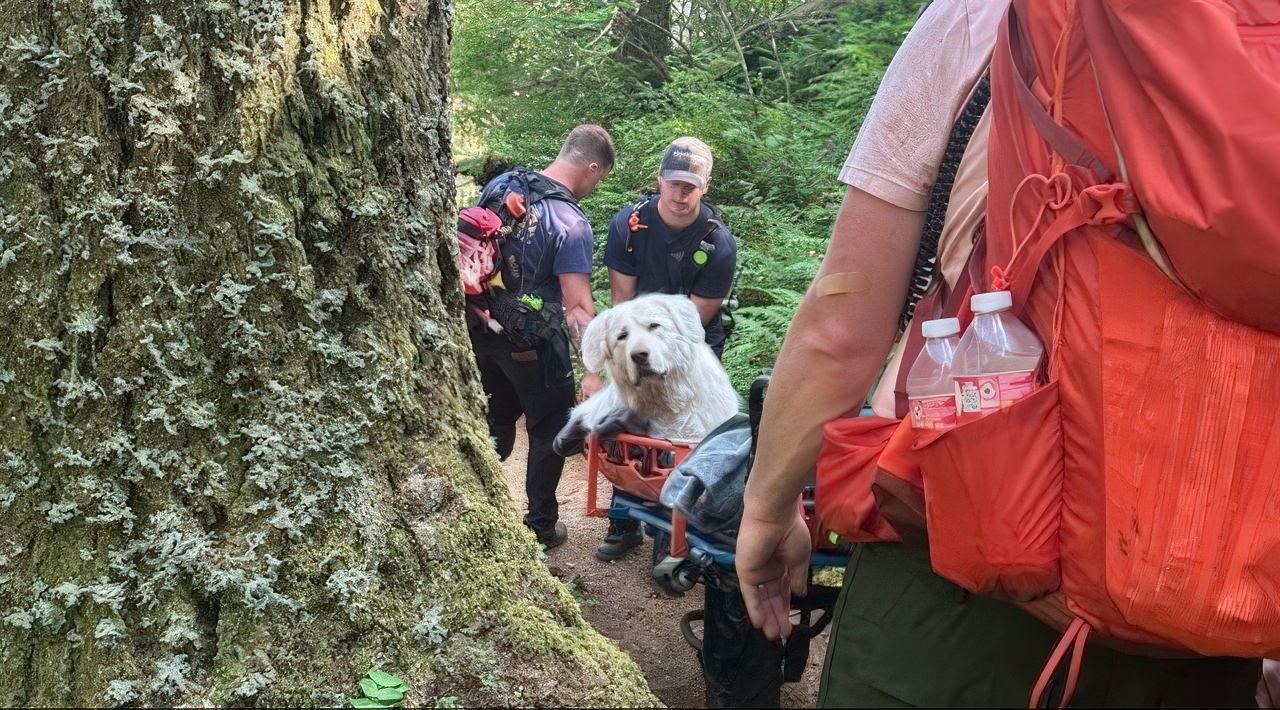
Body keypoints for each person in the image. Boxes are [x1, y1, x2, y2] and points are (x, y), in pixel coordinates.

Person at [733, 1, 1261, 706]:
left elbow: (842, 324)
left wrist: (767, 509)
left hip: (963, 577)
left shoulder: (982, 16)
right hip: (1217, 602)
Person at [591, 136, 738, 561]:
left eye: (690, 186)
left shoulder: (718, 244)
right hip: (637, 338)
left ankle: (671, 535)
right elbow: (623, 307)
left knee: (683, 438)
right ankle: (623, 521)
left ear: (704, 186)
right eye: (673, 183)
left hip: (691, 348)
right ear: (659, 179)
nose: (680, 194)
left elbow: (692, 325)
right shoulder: (629, 227)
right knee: (627, 428)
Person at [471, 124, 614, 550]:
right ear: (591, 167)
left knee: (494, 418)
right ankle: (541, 525)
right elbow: (577, 308)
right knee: (550, 424)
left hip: (480, 327)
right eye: (599, 178)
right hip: (532, 343)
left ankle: (474, 510)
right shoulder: (571, 222)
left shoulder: (501, 184)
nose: (594, 186)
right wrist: (594, 367)